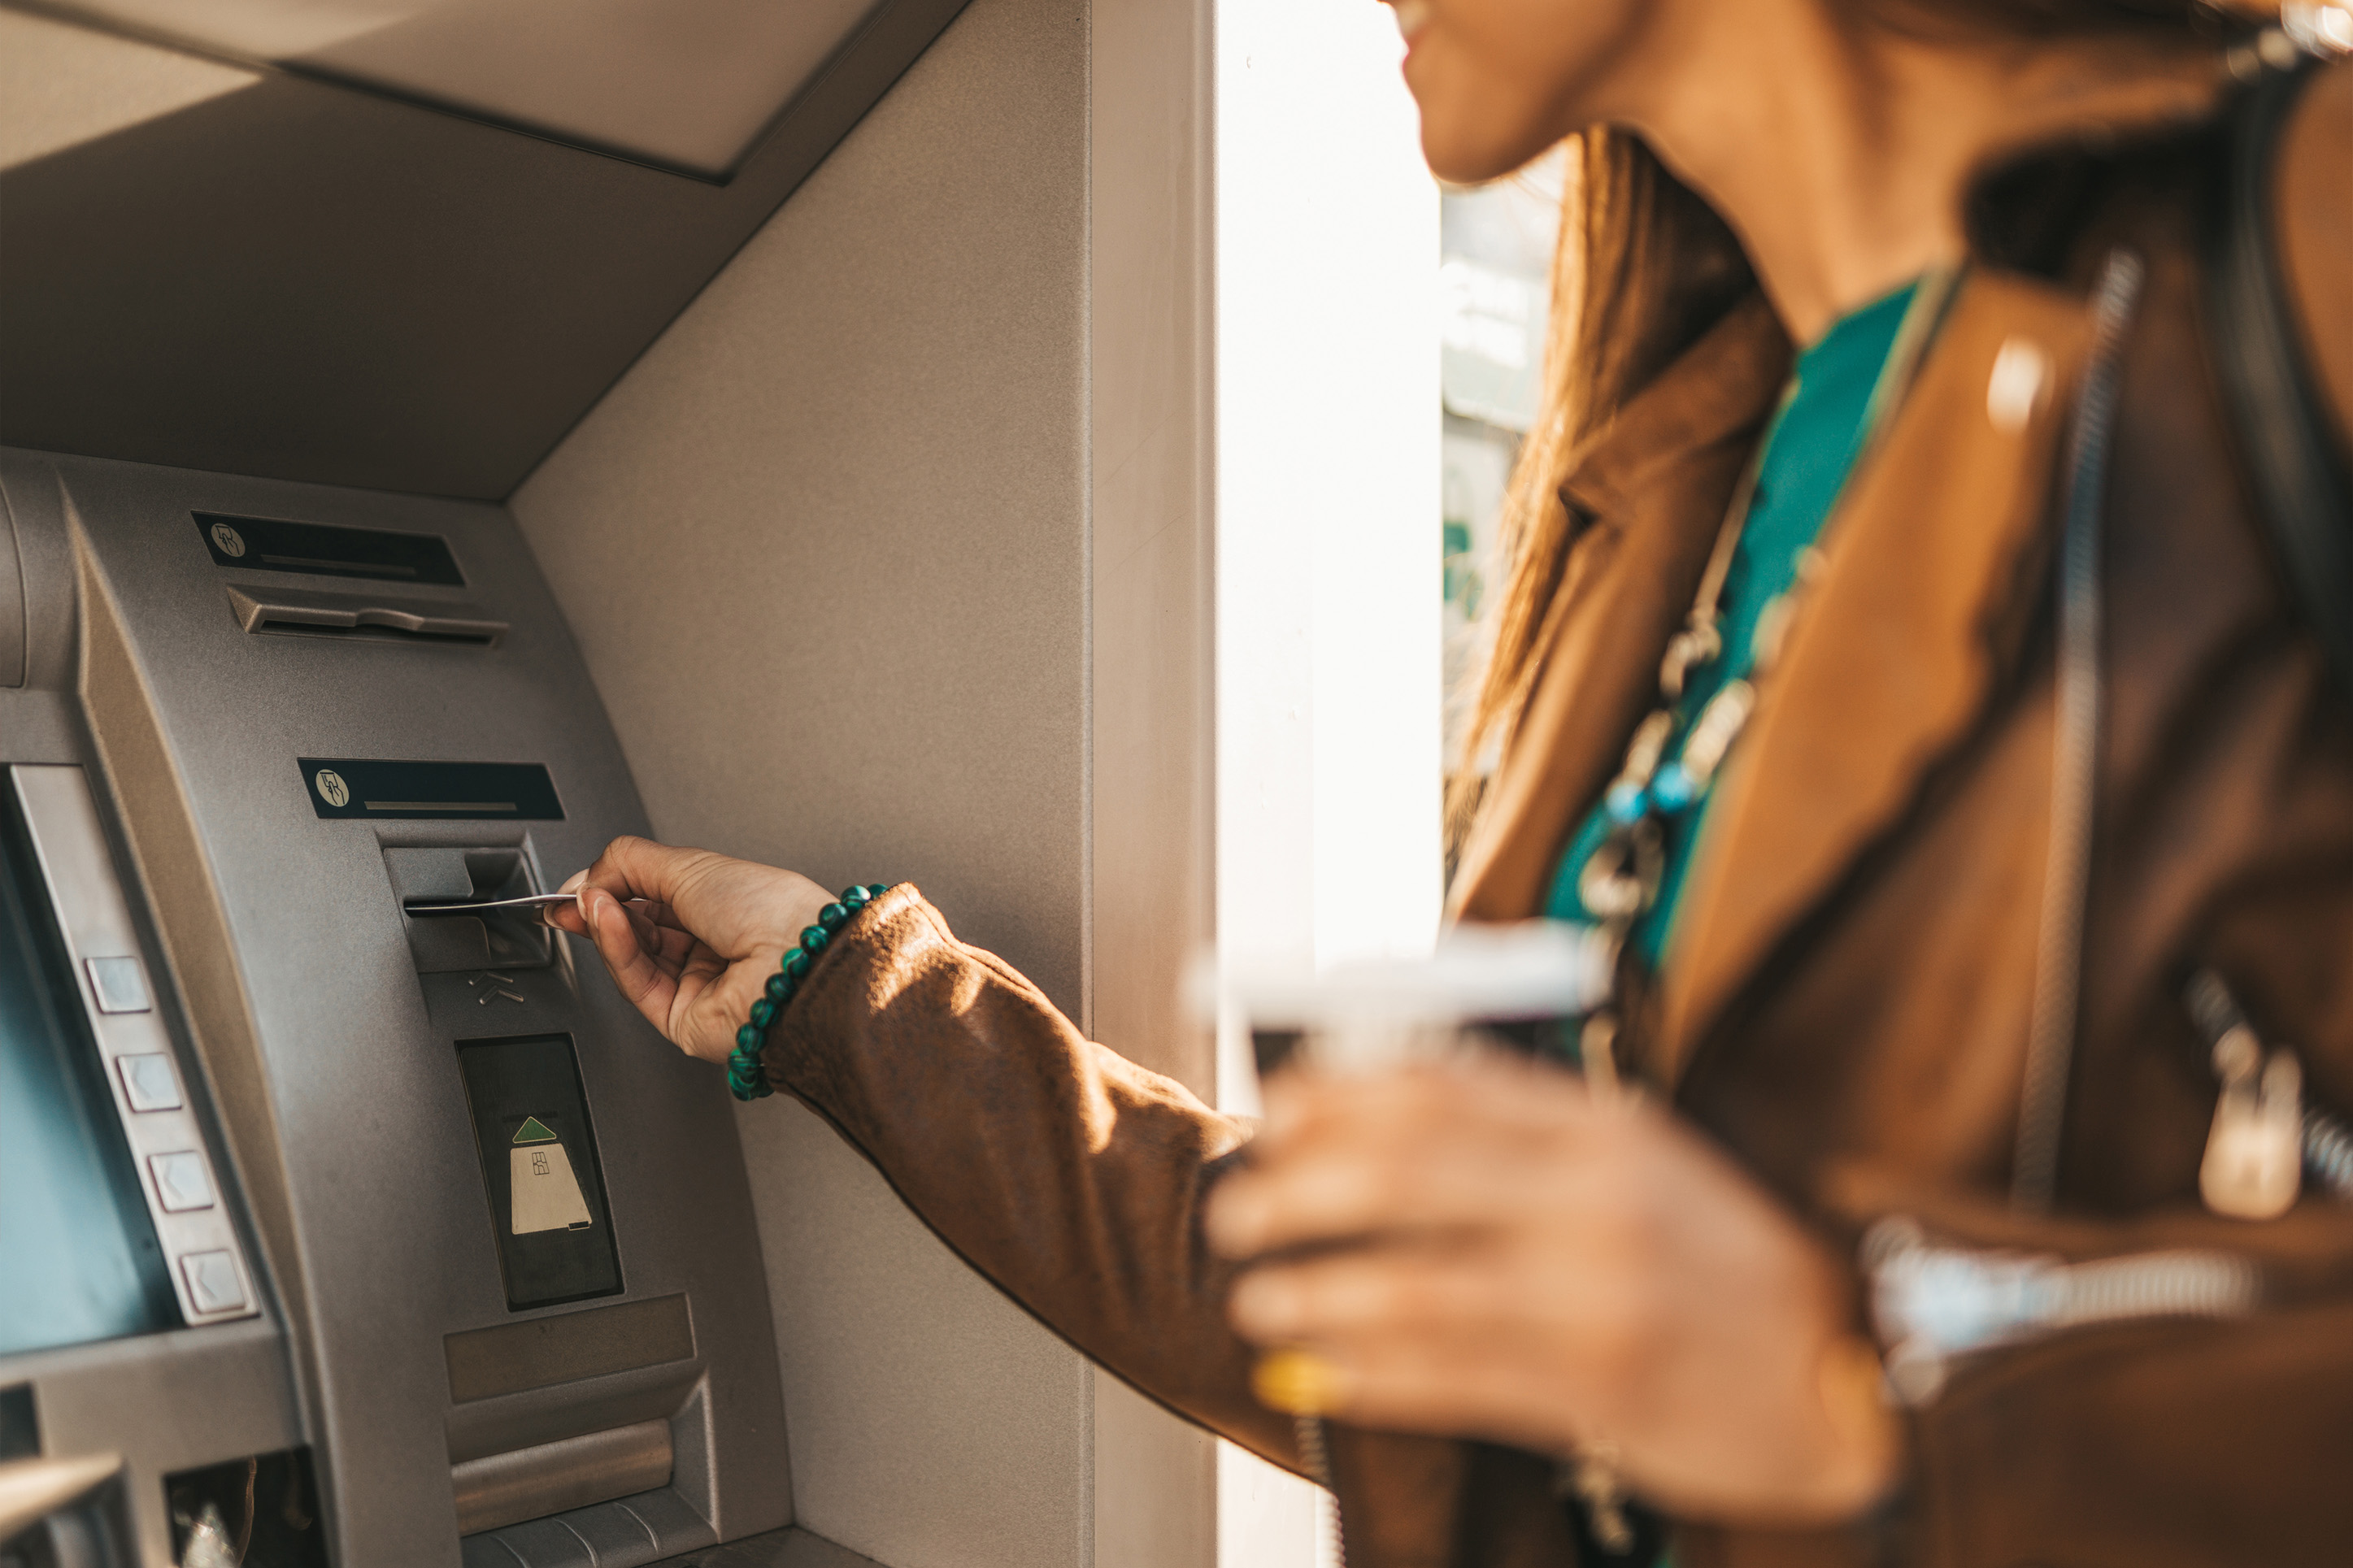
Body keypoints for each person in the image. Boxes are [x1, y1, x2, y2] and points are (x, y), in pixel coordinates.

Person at [550, 0, 2353, 1560]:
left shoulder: (2301, 242)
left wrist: (1865, 1392)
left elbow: (1743, 1360)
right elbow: (1473, 1346)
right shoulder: (1686, 471)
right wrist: (852, 997)